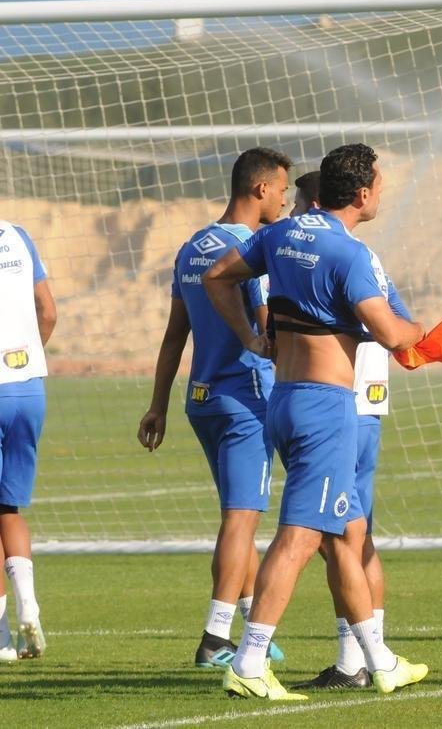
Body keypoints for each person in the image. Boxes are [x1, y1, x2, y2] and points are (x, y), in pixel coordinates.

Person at [204, 143, 426, 700]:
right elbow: (393, 335)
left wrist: (251, 338)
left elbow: (217, 276)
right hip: (326, 409)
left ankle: (379, 661)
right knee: (300, 537)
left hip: (284, 399)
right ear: (363, 194)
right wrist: (428, 331)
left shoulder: (283, 233)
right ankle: (249, 660)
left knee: (347, 534)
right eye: (379, 186)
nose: (381, 194)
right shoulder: (350, 254)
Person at [137, 147, 291, 668]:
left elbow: (173, 335)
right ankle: (216, 636)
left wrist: (157, 405)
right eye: (282, 190)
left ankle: (250, 627)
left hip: (200, 399)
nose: (284, 200)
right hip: (245, 396)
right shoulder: (253, 250)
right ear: (261, 188)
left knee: (236, 517)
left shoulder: (192, 248)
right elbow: (268, 326)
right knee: (241, 519)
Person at [285, 171, 413, 691]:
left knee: (335, 535)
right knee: (351, 533)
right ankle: (363, 656)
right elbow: (399, 320)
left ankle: (356, 661)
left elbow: (392, 327)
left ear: (317, 204)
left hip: (340, 404)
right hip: (362, 405)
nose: (292, 214)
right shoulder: (364, 257)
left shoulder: (318, 255)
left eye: (298, 204)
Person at [0, 220, 57, 661]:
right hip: (28, 388)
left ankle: (1, 637)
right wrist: (29, 359)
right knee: (9, 508)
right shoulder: (18, 235)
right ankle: (29, 605)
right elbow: (48, 311)